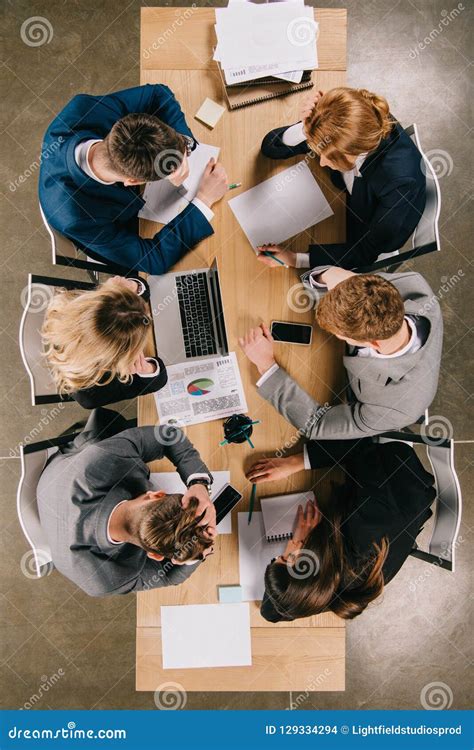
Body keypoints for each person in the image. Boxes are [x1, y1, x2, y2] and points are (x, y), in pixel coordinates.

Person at [39, 84, 228, 274]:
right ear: (133, 181)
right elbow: (153, 258)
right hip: (117, 230)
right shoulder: (75, 217)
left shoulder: (84, 107)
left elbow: (158, 93)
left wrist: (183, 141)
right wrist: (204, 199)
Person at [245, 438, 435, 622]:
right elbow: (362, 447)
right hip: (394, 469)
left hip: (383, 503)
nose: (288, 545)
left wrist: (299, 548)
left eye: (280, 557)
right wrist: (294, 462)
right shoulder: (361, 536)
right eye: (287, 556)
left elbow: (269, 613)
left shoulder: (323, 589)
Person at [239, 267, 443, 438]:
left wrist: (266, 365)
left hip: (341, 393)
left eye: (340, 335)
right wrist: (328, 275)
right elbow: (357, 294)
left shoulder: (398, 408)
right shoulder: (415, 288)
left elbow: (316, 424)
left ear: (373, 343)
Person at [36, 408, 216, 596]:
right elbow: (166, 577)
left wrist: (198, 484)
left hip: (61, 480)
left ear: (156, 495)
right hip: (58, 487)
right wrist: (192, 557)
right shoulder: (100, 582)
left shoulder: (100, 460)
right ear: (154, 555)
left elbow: (168, 434)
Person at [258, 87, 426, 270]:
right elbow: (270, 147)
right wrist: (305, 129)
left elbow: (365, 253)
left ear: (354, 152)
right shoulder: (352, 123)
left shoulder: (400, 182)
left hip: (369, 225)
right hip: (353, 196)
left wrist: (295, 259)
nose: (321, 163)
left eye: (329, 157)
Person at [42, 276, 167, 409]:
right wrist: (147, 370)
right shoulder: (91, 394)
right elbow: (151, 384)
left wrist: (134, 287)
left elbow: (140, 300)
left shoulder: (85, 303)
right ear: (120, 357)